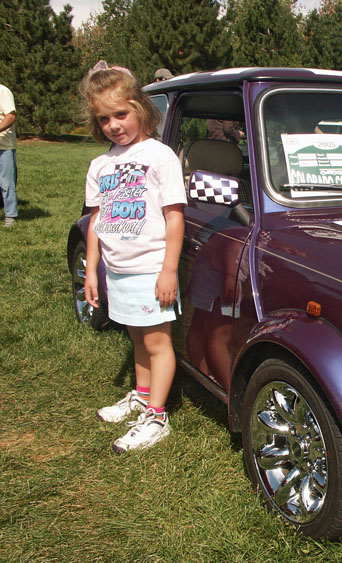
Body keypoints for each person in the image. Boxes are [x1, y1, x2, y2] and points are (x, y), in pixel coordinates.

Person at [79, 61, 186, 452]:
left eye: (121, 113)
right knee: (136, 337)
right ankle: (142, 395)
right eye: (104, 118)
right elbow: (96, 221)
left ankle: (156, 417)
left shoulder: (160, 157)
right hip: (119, 269)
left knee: (158, 341)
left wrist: (168, 271)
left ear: (140, 107)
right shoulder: (100, 165)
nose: (114, 125)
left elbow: (174, 219)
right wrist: (93, 270)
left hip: (150, 268)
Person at [0, 83, 18, 227]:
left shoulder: (3, 91)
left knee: (6, 183)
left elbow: (11, 116)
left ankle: (10, 216)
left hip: (4, 147)